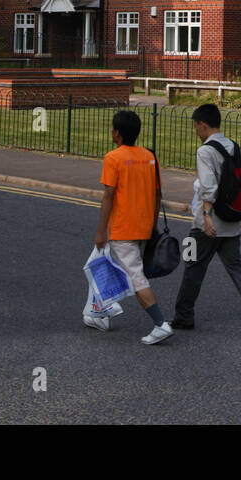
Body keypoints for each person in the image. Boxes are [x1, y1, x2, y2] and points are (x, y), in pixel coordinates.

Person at [172, 103, 241, 336]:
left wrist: (206, 217)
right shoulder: (232, 146)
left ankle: (183, 316)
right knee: (237, 267)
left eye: (196, 126)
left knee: (191, 264)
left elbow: (208, 187)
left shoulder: (205, 151)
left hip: (206, 225)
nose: (196, 131)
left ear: (202, 124)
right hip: (231, 221)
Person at [91, 110, 173, 345]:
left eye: (112, 128)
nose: (111, 131)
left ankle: (160, 324)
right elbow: (158, 194)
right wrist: (153, 224)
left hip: (123, 229)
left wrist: (101, 231)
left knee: (136, 278)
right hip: (144, 227)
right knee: (103, 266)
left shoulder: (113, 158)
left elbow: (108, 195)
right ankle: (100, 311)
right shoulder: (149, 157)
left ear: (117, 133)